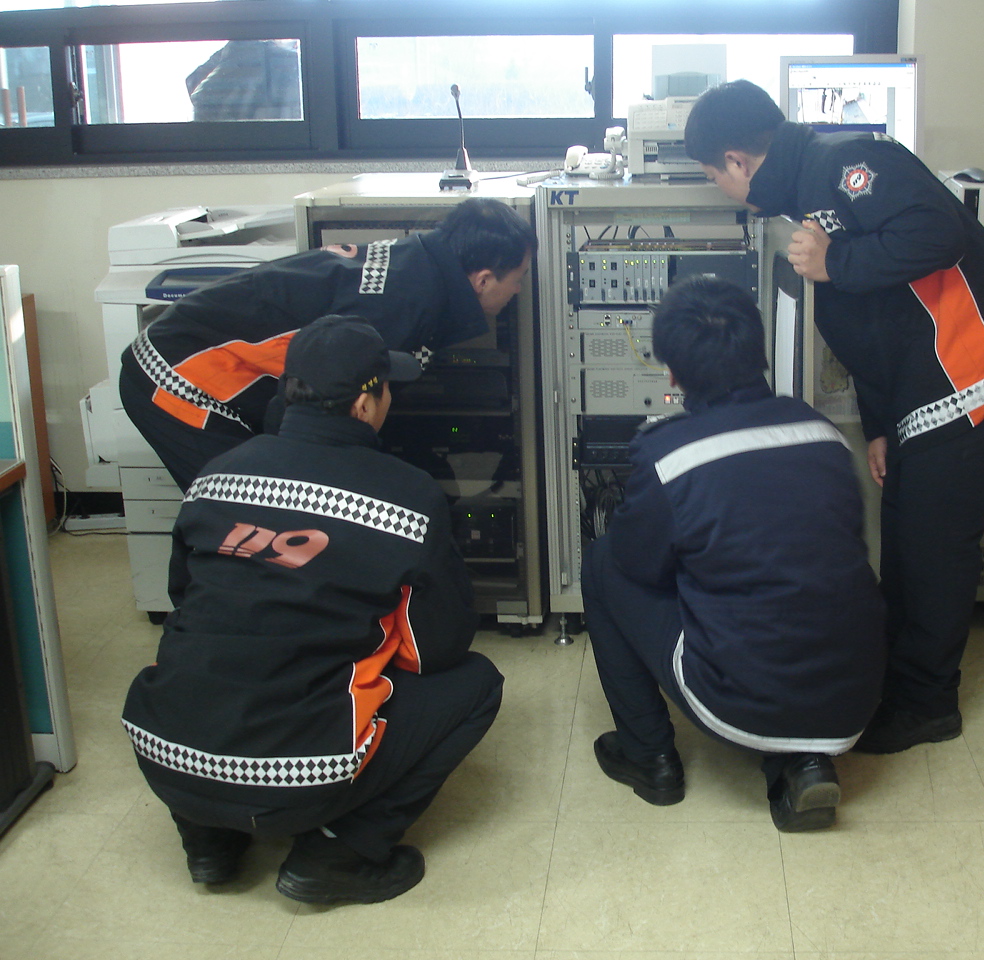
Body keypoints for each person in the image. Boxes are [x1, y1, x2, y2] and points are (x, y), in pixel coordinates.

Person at [684, 80, 984, 754]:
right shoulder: (807, 193)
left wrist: (837, 261)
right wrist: (882, 426)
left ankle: (929, 703)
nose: (718, 187)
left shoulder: (847, 162)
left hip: (973, 371)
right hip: (924, 391)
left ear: (738, 161)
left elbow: (938, 231)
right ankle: (902, 677)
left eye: (713, 174)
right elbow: (869, 323)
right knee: (905, 538)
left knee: (935, 549)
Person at [121, 316, 503, 904]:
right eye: (387, 387)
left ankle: (208, 840)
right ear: (365, 402)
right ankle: (337, 854)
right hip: (298, 773)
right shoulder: (406, 496)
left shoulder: (215, 475)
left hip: (165, 754)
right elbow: (438, 648)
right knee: (475, 685)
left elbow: (183, 596)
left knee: (203, 665)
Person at [581, 276, 886, 832]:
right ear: (758, 351)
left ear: (673, 375)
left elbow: (639, 565)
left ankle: (649, 759)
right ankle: (803, 764)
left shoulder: (668, 455)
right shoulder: (822, 433)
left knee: (604, 562)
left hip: (739, 703)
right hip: (856, 697)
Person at [119, 196, 536, 490]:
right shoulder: (399, 310)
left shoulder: (419, 269)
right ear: (483, 280)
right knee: (243, 509)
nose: (518, 291)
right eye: (518, 280)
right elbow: (298, 415)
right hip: (179, 373)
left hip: (197, 355)